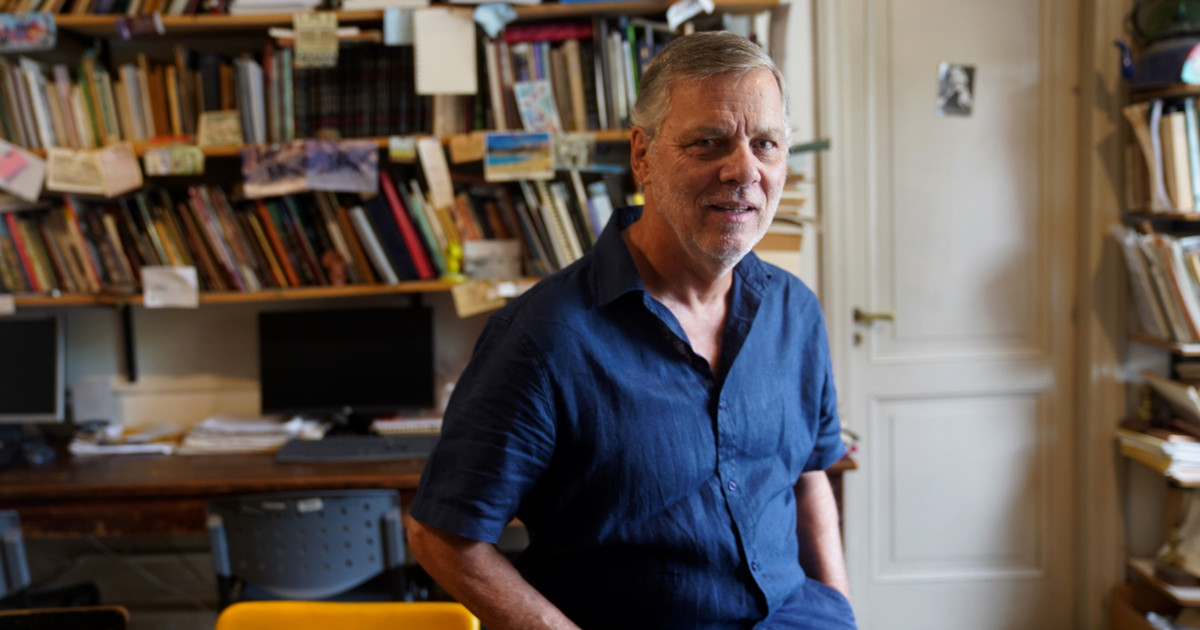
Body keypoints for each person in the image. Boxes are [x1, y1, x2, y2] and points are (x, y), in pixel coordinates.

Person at [407, 31, 855, 630]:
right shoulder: (543, 338)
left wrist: (839, 609)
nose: (744, 170)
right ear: (642, 155)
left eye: (765, 144)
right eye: (709, 142)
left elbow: (809, 474)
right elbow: (442, 536)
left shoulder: (794, 311)